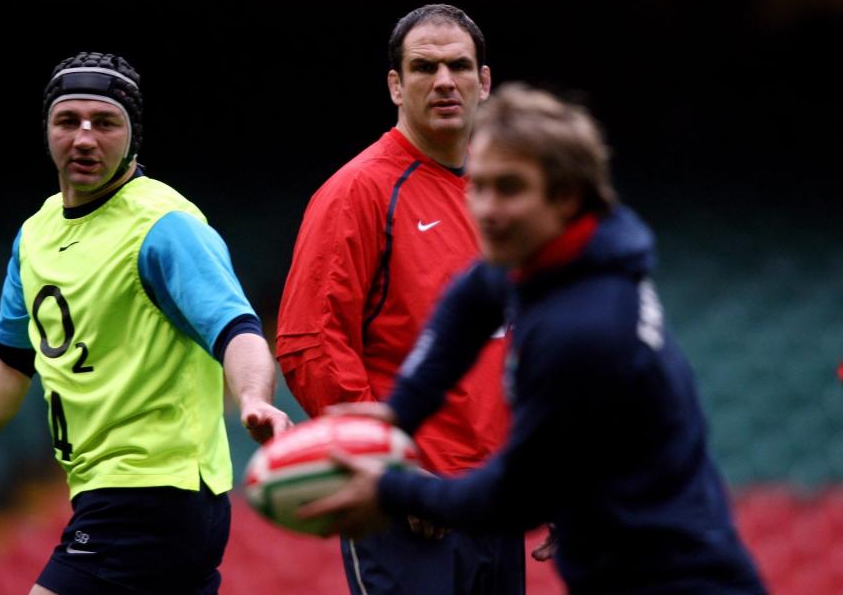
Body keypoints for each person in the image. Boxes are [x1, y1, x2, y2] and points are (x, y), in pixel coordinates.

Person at [300, 83, 768, 594]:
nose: (486, 208)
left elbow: (514, 496)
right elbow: (473, 298)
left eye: (510, 188)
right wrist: (400, 414)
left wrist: (394, 489)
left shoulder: (586, 326)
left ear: (566, 197)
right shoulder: (561, 252)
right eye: (478, 186)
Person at [0, 51, 293, 594]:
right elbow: (8, 355)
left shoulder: (164, 226)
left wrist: (253, 398)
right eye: (67, 121)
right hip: (114, 493)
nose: (84, 138)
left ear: (133, 134)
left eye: (105, 123)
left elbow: (237, 328)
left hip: (152, 492)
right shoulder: (35, 233)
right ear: (47, 130)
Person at [276, 4, 527, 595]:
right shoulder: (359, 191)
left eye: (460, 66)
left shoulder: (502, 197)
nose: (444, 81)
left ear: (484, 81)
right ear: (396, 84)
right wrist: (391, 470)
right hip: (409, 511)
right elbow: (309, 343)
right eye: (424, 68)